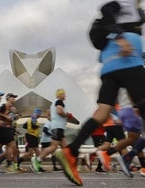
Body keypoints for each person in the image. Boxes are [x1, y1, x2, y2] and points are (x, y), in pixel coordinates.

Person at [55, 0, 145, 186]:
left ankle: (71, 151)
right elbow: (106, 9)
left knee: (102, 113)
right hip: (128, 62)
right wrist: (121, 38)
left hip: (111, 66)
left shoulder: (137, 11)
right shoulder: (126, 3)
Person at [31, 89, 74, 173]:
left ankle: (67, 166)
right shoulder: (59, 101)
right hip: (58, 127)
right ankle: (37, 160)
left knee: (65, 146)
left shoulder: (54, 103)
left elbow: (52, 114)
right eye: (64, 94)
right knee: (53, 147)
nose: (65, 96)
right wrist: (68, 115)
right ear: (60, 94)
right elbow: (59, 111)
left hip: (58, 127)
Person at [0, 93, 21, 173]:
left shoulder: (14, 108)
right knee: (10, 147)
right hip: (4, 128)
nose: (14, 99)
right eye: (13, 97)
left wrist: (17, 117)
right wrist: (5, 116)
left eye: (15, 97)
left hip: (10, 129)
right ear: (8, 98)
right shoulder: (4, 106)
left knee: (14, 150)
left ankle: (14, 166)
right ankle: (7, 165)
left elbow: (15, 118)